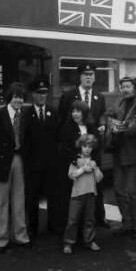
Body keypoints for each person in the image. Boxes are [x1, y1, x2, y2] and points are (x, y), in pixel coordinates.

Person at [57, 62, 108, 227]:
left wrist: (102, 125)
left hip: (93, 150)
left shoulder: (99, 97)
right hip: (74, 151)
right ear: (80, 77)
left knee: (96, 186)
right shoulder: (69, 96)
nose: (88, 77)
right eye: (85, 75)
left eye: (91, 74)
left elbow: (101, 117)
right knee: (74, 186)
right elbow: (63, 120)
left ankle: (99, 217)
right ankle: (73, 222)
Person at [0, 82, 31, 253]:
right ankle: (0, 240)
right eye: (15, 96)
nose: (18, 100)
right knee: (2, 201)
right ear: (9, 97)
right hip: (2, 161)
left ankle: (20, 236)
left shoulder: (24, 116)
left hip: (19, 160)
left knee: (19, 200)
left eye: (21, 97)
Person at [106, 76, 136, 239]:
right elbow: (107, 116)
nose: (125, 89)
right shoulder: (120, 102)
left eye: (128, 86)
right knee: (119, 190)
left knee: (132, 192)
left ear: (135, 87)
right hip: (118, 152)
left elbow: (135, 127)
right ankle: (127, 223)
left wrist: (117, 125)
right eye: (123, 86)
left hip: (132, 154)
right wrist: (112, 123)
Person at [53, 100, 98, 236]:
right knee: (73, 206)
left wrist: (94, 163)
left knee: (89, 207)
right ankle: (71, 235)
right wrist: (75, 159)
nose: (75, 114)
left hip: (89, 171)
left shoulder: (91, 127)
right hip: (74, 171)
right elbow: (62, 148)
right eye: (73, 111)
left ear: (84, 112)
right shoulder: (67, 128)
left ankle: (88, 236)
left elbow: (97, 146)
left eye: (78, 111)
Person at [23, 76, 59, 238]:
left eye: (44, 92)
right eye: (39, 93)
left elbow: (58, 138)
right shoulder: (26, 114)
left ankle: (52, 225)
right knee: (32, 198)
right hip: (33, 165)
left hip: (51, 164)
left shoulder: (54, 112)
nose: (42, 95)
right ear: (33, 94)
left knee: (53, 196)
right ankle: (32, 228)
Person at [63, 134, 103, 254]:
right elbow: (71, 175)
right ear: (80, 146)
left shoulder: (93, 161)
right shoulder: (76, 161)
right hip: (77, 195)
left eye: (90, 146)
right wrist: (82, 170)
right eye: (85, 146)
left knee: (90, 219)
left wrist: (95, 168)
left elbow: (100, 178)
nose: (87, 149)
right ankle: (68, 243)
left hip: (90, 194)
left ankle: (89, 241)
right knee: (73, 220)